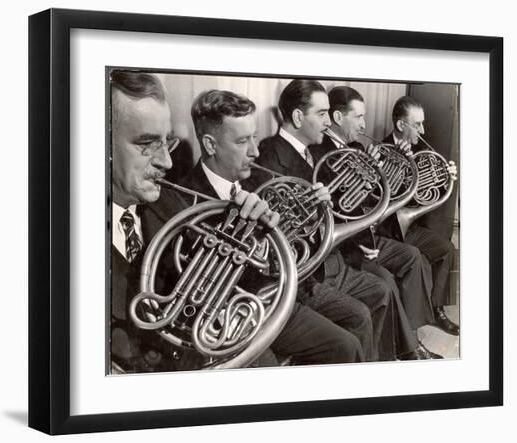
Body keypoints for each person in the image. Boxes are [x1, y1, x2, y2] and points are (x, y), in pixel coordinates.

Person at [109, 70, 286, 372]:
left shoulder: (173, 207)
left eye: (168, 143)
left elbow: (221, 289)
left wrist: (249, 231)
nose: (166, 162)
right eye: (147, 144)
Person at [179, 88, 365, 365]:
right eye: (243, 141)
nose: (255, 151)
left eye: (254, 137)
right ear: (210, 145)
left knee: (346, 346)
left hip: (273, 298)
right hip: (231, 317)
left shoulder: (252, 179)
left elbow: (283, 250)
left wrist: (315, 211)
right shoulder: (184, 198)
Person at [243, 79, 403, 361]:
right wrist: (313, 208)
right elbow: (275, 234)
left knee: (380, 291)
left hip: (330, 259)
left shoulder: (313, 152)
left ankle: (377, 367)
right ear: (296, 117)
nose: (329, 122)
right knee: (361, 313)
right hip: (304, 275)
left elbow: (342, 205)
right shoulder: (269, 157)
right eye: (321, 114)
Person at [318, 85, 444, 359]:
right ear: (339, 118)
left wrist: (389, 172)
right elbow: (340, 209)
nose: (365, 124)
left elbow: (372, 199)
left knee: (412, 256)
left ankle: (412, 338)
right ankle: (405, 351)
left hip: (369, 237)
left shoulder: (356, 147)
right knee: (385, 280)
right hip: (351, 245)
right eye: (359, 117)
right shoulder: (322, 153)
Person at [381, 96, 459, 336]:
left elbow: (427, 195)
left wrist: (447, 177)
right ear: (401, 125)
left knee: (448, 250)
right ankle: (411, 334)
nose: (423, 130)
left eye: (422, 124)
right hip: (387, 230)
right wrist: (397, 163)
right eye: (418, 124)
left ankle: (437, 309)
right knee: (419, 260)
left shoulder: (422, 151)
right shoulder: (380, 151)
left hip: (409, 227)